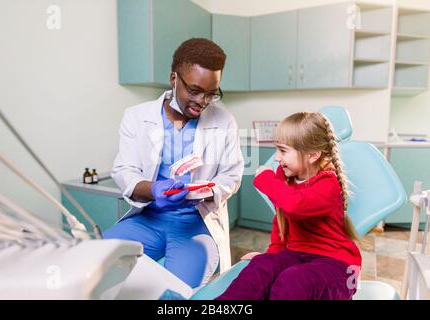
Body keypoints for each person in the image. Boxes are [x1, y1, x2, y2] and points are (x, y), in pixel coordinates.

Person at [103, 38, 244, 288]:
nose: (202, 101)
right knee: (96, 265)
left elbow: (231, 176)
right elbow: (125, 170)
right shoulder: (137, 117)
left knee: (175, 295)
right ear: (174, 78)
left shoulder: (224, 121)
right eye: (194, 90)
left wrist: (207, 189)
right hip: (148, 218)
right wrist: (154, 190)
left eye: (211, 94)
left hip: (196, 225)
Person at [216, 112, 362, 300]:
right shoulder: (286, 178)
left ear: (312, 155)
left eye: (283, 151)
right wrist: (272, 258)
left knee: (293, 280)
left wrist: (266, 180)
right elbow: (282, 221)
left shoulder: (328, 185)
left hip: (339, 267)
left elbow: (295, 205)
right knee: (260, 267)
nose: (276, 158)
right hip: (298, 255)